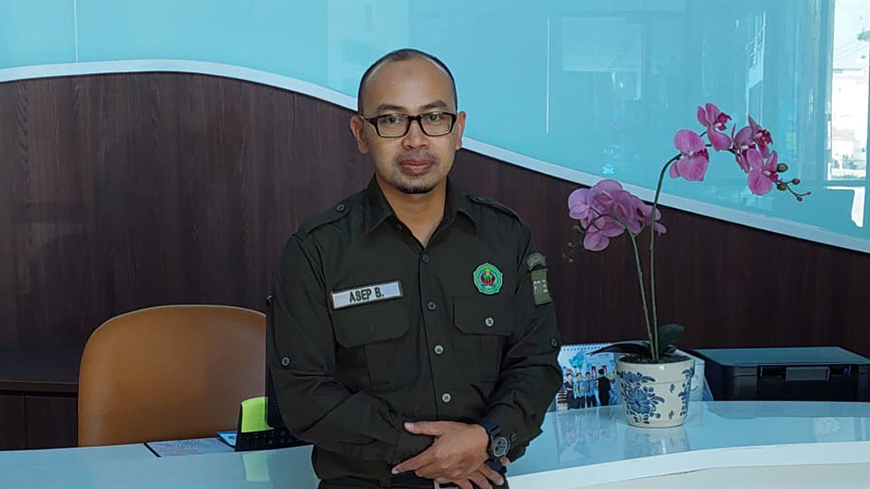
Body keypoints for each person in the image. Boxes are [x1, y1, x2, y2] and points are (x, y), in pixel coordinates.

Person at [266, 48, 562, 489]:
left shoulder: (506, 239)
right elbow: (304, 394)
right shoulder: (317, 250)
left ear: (458, 130)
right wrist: (438, 455)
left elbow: (536, 363)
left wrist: (486, 438)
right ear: (360, 133)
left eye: (434, 118)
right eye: (391, 120)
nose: (415, 139)